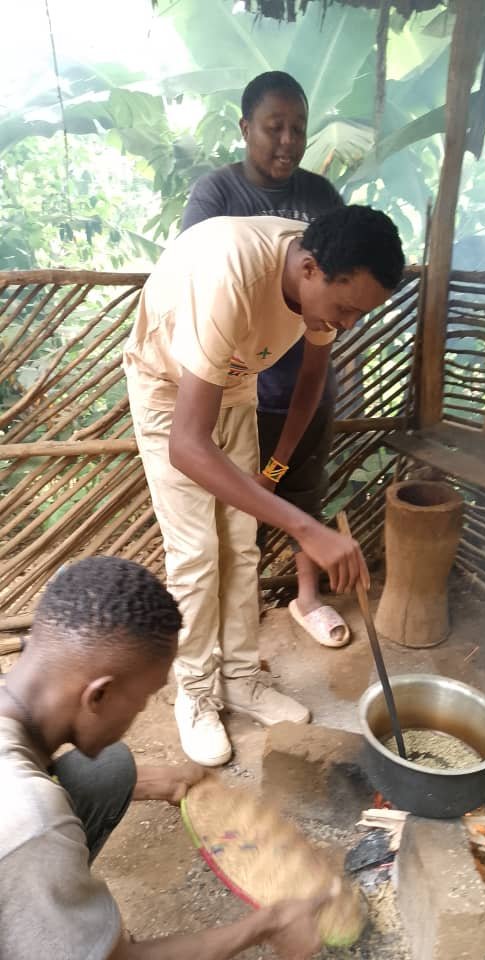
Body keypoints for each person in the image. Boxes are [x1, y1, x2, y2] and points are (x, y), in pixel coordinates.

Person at [124, 204, 404, 767]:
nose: (347, 323)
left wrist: (273, 472)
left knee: (242, 547)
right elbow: (187, 444)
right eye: (346, 309)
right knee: (198, 555)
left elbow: (312, 382)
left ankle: (241, 679)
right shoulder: (231, 273)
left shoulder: (322, 284)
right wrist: (306, 527)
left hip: (234, 389)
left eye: (359, 316)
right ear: (310, 269)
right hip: (168, 393)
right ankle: (196, 695)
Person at [0, 556, 336, 960]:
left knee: (110, 769)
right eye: (143, 700)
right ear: (99, 696)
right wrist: (268, 924)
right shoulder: (32, 821)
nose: (139, 713)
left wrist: (155, 781)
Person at [182, 70, 351, 650]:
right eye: (274, 127)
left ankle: (306, 599)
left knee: (301, 486)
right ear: (245, 127)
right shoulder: (217, 197)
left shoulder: (322, 198)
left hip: (307, 373)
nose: (287, 140)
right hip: (234, 384)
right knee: (231, 511)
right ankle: (233, 622)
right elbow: (200, 287)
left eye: (298, 128)